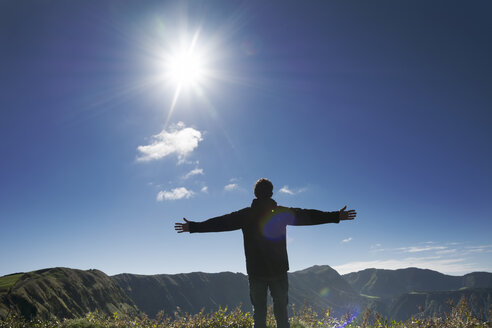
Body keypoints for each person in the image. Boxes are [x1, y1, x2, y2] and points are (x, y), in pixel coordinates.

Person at [174, 178, 356, 328]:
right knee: (281, 312)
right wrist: (335, 216)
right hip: (278, 271)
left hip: (256, 273)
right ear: (271, 193)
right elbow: (307, 216)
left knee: (259, 313)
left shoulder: (246, 215)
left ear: (255, 194)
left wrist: (193, 227)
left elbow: (220, 223)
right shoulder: (280, 213)